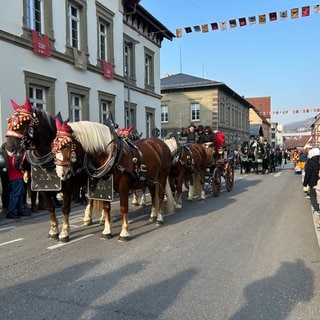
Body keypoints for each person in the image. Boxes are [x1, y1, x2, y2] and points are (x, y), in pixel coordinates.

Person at [6, 151, 30, 219]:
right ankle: (10, 212)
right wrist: (22, 170)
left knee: (20, 194)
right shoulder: (16, 153)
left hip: (18, 176)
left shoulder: (14, 152)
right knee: (15, 194)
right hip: (16, 176)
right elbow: (15, 164)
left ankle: (20, 210)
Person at [303, 147, 320, 215]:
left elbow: (308, 173)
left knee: (313, 196)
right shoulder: (318, 161)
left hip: (313, 182)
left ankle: (316, 210)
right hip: (318, 180)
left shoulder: (310, 162)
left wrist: (305, 183)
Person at [0, 142, 10, 215]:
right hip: (5, 173)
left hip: (7, 172)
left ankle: (5, 207)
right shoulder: (3, 153)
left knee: (6, 190)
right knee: (6, 190)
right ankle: (5, 207)